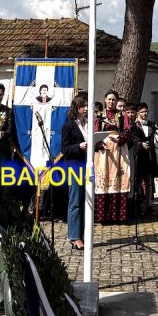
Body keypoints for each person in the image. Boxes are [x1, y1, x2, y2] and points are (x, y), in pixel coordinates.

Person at [60, 93, 90, 250]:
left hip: (87, 165)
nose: (86, 108)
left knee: (85, 200)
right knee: (75, 201)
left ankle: (82, 234)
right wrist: (78, 147)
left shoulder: (88, 123)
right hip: (74, 166)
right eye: (84, 106)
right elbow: (64, 149)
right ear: (77, 108)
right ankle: (74, 236)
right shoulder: (69, 125)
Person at [130, 102, 157, 215]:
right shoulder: (134, 125)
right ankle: (138, 206)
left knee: (148, 180)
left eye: (146, 111)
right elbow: (132, 139)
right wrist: (140, 144)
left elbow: (155, 139)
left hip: (149, 155)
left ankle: (149, 204)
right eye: (142, 112)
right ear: (138, 113)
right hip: (138, 155)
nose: (145, 114)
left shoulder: (152, 125)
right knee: (138, 180)